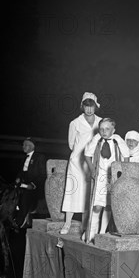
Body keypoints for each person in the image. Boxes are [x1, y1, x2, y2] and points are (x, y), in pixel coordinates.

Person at [60, 92, 102, 235]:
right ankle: (67, 223)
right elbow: (72, 144)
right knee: (72, 191)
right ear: (82, 106)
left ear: (96, 107)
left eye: (92, 106)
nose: (89, 109)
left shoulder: (102, 122)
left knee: (88, 193)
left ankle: (85, 226)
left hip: (93, 163)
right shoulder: (75, 123)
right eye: (86, 105)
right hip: (77, 163)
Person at [82, 118, 130, 242]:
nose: (104, 131)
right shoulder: (96, 139)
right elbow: (87, 155)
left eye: (107, 129)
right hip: (100, 175)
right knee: (97, 205)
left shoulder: (118, 140)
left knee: (108, 206)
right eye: (102, 129)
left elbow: (126, 157)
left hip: (113, 176)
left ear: (113, 130)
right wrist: (92, 169)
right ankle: (91, 232)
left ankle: (102, 233)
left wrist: (122, 174)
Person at [15, 137, 46, 229]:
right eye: (23, 145)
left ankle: (18, 223)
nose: (23, 147)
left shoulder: (39, 157)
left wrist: (33, 184)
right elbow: (21, 172)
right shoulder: (23, 158)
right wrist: (18, 178)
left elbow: (42, 174)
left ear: (32, 146)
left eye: (26, 145)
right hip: (23, 184)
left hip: (34, 186)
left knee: (26, 197)